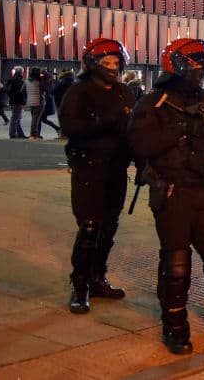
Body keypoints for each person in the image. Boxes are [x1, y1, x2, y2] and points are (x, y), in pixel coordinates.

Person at [130, 38, 204, 354]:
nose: (203, 73)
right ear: (181, 66)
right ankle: (175, 328)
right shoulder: (153, 103)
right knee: (177, 264)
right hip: (172, 193)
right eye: (198, 67)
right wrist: (183, 128)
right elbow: (141, 147)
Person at [59, 38, 137, 314]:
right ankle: (80, 285)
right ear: (93, 65)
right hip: (89, 166)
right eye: (107, 63)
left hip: (116, 167)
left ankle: (97, 277)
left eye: (116, 63)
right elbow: (69, 126)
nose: (113, 68)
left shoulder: (125, 93)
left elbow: (134, 131)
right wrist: (106, 123)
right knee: (89, 226)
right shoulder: (79, 91)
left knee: (108, 227)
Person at [6, 66, 28, 139]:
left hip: (12, 100)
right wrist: (24, 102)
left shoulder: (10, 80)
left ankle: (20, 133)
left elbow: (7, 90)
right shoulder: (21, 81)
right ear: (21, 72)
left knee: (17, 117)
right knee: (15, 117)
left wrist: (11, 96)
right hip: (18, 101)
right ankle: (13, 133)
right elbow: (21, 93)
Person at [27, 67, 43, 139]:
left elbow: (22, 91)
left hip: (30, 101)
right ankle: (33, 134)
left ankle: (33, 133)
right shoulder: (39, 82)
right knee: (36, 118)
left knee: (34, 117)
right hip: (38, 101)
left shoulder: (27, 81)